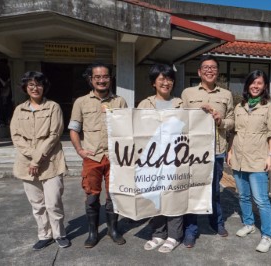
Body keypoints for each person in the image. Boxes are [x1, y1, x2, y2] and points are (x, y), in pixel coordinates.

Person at [68, 63, 127, 248]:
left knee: (114, 196)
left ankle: (112, 229)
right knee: (92, 197)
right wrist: (80, 150)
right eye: (97, 77)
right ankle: (93, 232)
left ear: (110, 78)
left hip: (114, 157)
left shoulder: (120, 101)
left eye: (105, 76)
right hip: (92, 157)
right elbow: (74, 129)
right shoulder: (81, 102)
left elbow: (128, 129)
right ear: (91, 79)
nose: (102, 80)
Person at [10, 71, 70, 251]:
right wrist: (32, 158)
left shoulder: (53, 107)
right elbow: (16, 136)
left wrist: (36, 160)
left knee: (53, 203)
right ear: (25, 88)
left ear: (44, 87)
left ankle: (60, 234)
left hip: (51, 162)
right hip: (27, 164)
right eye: (31, 85)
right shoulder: (19, 109)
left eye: (39, 84)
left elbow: (54, 135)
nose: (35, 88)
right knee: (37, 205)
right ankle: (45, 235)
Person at [181, 55, 235, 248]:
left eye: (213, 67)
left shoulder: (226, 95)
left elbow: (232, 122)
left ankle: (216, 222)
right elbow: (181, 119)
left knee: (214, 191)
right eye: (205, 67)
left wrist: (220, 120)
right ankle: (190, 230)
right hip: (193, 152)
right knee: (193, 190)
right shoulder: (187, 93)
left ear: (217, 72)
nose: (209, 70)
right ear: (199, 72)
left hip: (216, 149)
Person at [227, 70, 271, 253]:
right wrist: (230, 151)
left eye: (260, 83)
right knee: (243, 196)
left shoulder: (269, 107)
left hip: (258, 159)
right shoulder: (239, 106)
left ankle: (267, 236)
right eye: (253, 82)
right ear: (248, 85)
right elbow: (234, 132)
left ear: (265, 86)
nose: (256, 86)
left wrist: (270, 156)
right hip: (239, 158)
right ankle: (248, 223)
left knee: (261, 199)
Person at [138, 63, 183, 253]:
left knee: (174, 196)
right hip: (152, 160)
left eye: (170, 79)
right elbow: (136, 132)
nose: (166, 82)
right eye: (162, 79)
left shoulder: (180, 103)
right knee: (155, 196)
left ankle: (174, 236)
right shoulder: (144, 104)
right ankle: (158, 233)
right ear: (153, 83)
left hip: (174, 159)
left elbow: (190, 130)